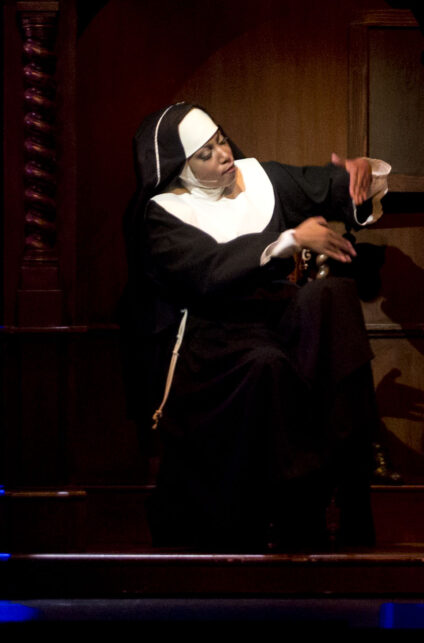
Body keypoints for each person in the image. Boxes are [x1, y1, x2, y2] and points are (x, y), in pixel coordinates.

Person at [122, 100, 390, 550]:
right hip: (215, 339)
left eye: (221, 140)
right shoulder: (162, 214)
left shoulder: (259, 178)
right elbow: (208, 271)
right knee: (267, 364)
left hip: (278, 319)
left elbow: (326, 186)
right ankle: (293, 514)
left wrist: (360, 176)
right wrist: (288, 240)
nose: (224, 155)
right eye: (205, 153)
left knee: (334, 295)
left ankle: (354, 468)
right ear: (182, 168)